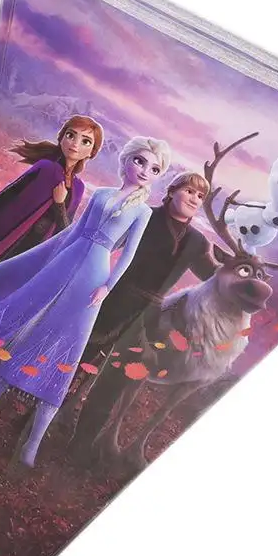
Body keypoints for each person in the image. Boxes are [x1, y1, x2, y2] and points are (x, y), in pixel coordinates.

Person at [0, 137, 172, 466]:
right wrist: (45, 261)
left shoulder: (142, 211)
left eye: (154, 169)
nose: (144, 171)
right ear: (126, 160)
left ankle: (32, 444)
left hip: (93, 277)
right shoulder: (101, 194)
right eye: (140, 161)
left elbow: (127, 255)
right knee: (23, 332)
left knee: (65, 346)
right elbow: (73, 232)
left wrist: (107, 287)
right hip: (65, 262)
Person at [63, 171, 219, 455]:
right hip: (114, 302)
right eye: (189, 191)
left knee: (114, 382)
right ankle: (35, 420)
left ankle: (80, 446)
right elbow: (108, 241)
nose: (194, 199)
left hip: (148, 318)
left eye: (200, 196)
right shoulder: (144, 216)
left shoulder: (197, 241)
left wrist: (240, 270)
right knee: (76, 361)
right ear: (172, 191)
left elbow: (212, 275)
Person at [0, 114, 104, 272]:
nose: (75, 143)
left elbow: (64, 230)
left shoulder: (79, 187)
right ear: (61, 138)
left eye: (85, 141)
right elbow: (10, 194)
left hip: (33, 249)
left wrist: (60, 204)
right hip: (7, 234)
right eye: (70, 135)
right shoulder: (46, 168)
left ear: (91, 152)